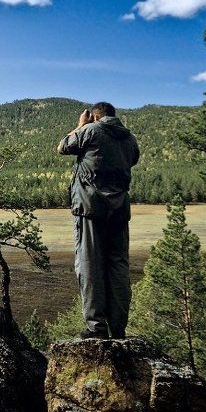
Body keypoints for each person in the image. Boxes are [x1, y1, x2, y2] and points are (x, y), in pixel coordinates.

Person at [57, 102, 140, 339]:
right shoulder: (130, 139)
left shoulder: (90, 130)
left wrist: (80, 125)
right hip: (119, 210)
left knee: (89, 264)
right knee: (118, 266)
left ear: (95, 116)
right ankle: (118, 327)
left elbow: (63, 147)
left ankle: (97, 327)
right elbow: (131, 160)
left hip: (90, 208)